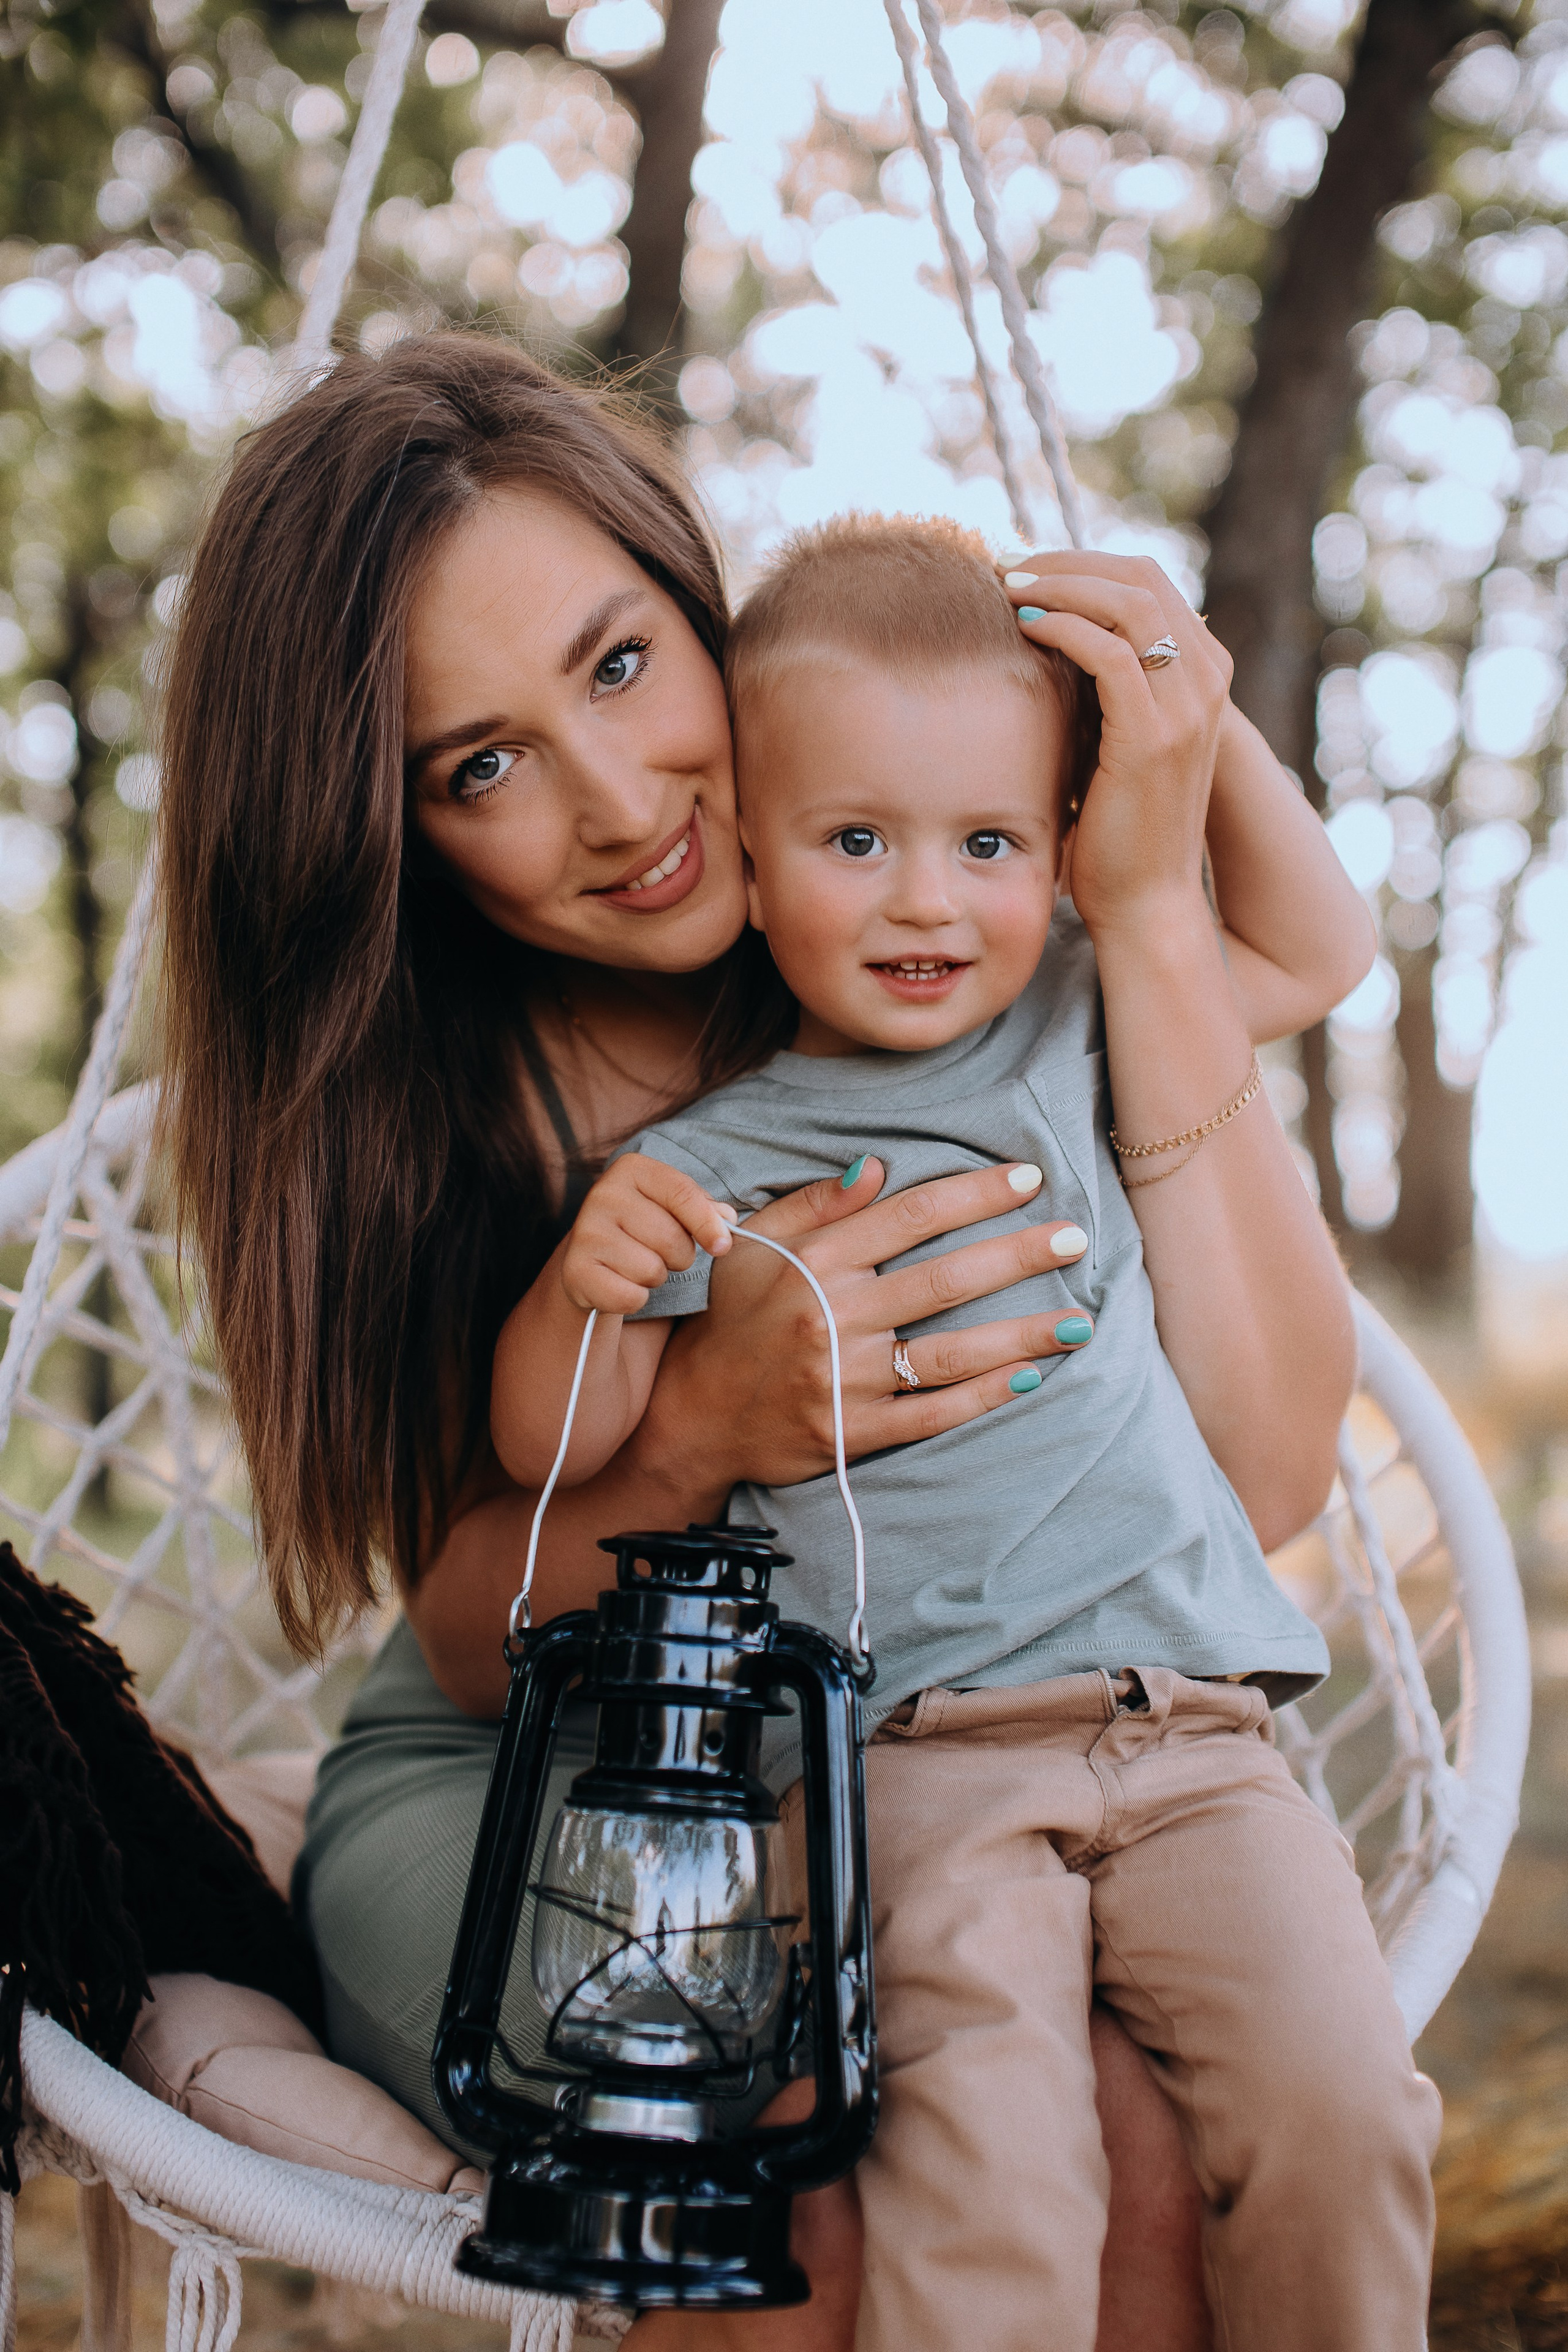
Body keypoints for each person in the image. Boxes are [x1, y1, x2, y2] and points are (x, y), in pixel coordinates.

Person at [154, 330, 1348, 2352]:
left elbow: (1278, 1472)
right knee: (761, 2111)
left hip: (914, 1747)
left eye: (620, 663)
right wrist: (699, 1424)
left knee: (1138, 2144)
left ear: (702, 606)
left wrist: (1144, 901)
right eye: (485, 764)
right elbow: (461, 1639)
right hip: (527, 1765)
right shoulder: (432, 1110)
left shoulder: (956, 968)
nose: (623, 804)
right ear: (395, 827)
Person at [492, 514, 1444, 2352]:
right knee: (989, 2171)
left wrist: (1186, 718)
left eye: (990, 843)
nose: (931, 900)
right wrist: (582, 1287)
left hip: (1205, 1737)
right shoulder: (711, 1161)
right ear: (753, 865)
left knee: (1343, 2113)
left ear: (1064, 849)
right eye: (860, 842)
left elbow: (1315, 948)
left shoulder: (1080, 1018)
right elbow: (562, 1434)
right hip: (915, 1765)